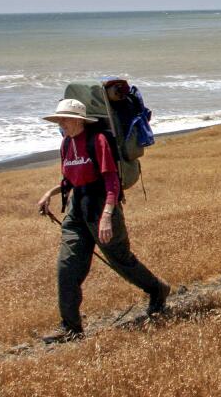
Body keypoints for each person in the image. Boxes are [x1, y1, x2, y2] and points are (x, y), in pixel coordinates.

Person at [36, 98, 172, 343]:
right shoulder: (66, 142)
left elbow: (111, 181)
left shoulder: (97, 141)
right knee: (67, 267)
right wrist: (51, 193)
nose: (60, 124)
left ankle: (157, 290)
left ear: (78, 120)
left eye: (63, 119)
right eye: (58, 120)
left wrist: (107, 216)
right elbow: (71, 180)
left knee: (121, 261)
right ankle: (71, 328)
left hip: (102, 206)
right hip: (77, 209)